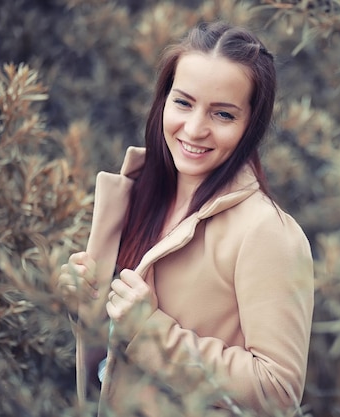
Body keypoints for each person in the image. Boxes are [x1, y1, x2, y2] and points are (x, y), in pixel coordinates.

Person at [58, 21, 314, 417]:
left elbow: (277, 391)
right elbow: (116, 346)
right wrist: (85, 305)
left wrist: (150, 330)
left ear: (251, 125)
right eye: (183, 103)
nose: (195, 129)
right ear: (163, 101)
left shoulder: (267, 232)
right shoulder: (139, 195)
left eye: (223, 114)